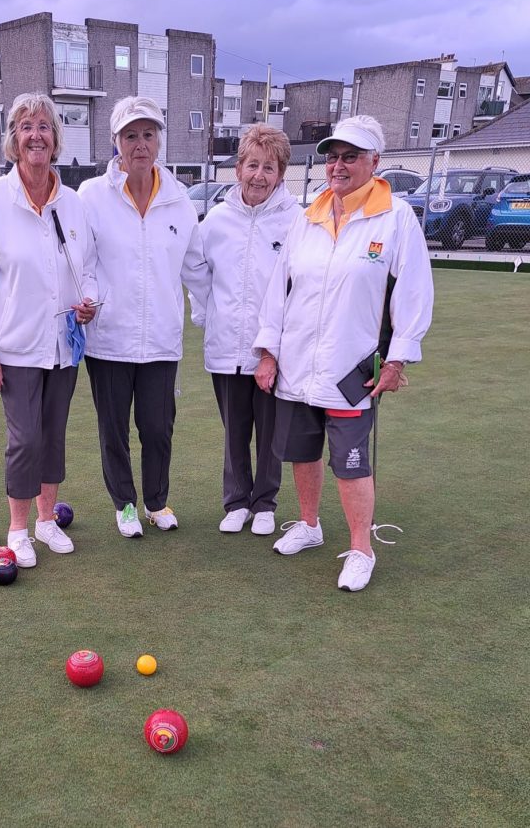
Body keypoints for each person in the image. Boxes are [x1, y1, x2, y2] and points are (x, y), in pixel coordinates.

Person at [253, 115, 434, 592]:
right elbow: (280, 290)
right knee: (302, 452)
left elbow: (412, 294)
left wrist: (397, 359)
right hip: (297, 362)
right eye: (332, 156)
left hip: (352, 369)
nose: (338, 165)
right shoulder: (307, 216)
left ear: (374, 162)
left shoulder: (396, 218)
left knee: (351, 460)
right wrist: (268, 352)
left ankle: (361, 549)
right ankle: (309, 526)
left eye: (350, 156)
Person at [0, 92, 97, 568]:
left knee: (53, 433)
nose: (35, 135)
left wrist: (90, 302)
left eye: (44, 126)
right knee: (25, 439)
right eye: (26, 127)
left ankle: (46, 521)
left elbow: (91, 266)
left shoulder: (73, 202)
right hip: (15, 346)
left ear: (55, 140)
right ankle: (18, 529)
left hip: (64, 346)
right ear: (13, 140)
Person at [78, 96, 208, 538]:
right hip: (108, 338)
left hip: (161, 340)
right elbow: (83, 262)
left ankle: (156, 501)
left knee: (157, 428)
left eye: (148, 134)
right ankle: (125, 505)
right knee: (112, 430)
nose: (140, 144)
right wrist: (92, 300)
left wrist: (207, 318)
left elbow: (194, 268)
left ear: (158, 141)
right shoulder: (92, 196)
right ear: (116, 141)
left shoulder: (179, 201)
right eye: (131, 135)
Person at [192, 125, 301, 536]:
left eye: (268, 167)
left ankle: (265, 502)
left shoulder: (296, 221)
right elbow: (198, 273)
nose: (259, 175)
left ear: (281, 174)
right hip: (224, 346)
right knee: (234, 428)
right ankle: (236, 500)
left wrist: (276, 344)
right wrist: (205, 317)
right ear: (237, 169)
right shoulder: (216, 220)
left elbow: (297, 285)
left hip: (273, 348)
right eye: (252, 165)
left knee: (271, 429)